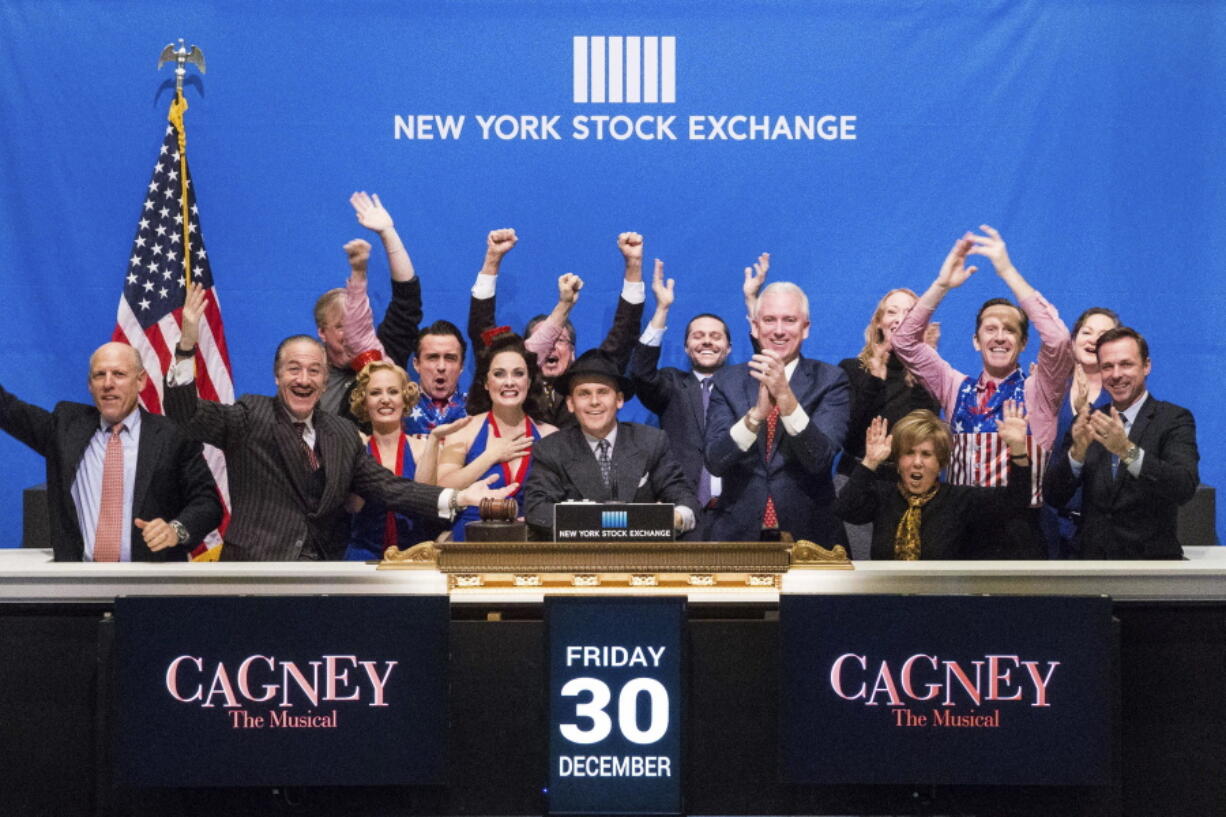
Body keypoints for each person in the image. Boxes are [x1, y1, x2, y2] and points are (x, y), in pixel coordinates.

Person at [167, 282, 515, 561]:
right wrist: (185, 347)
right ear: (276, 376)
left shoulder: (341, 432)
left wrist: (459, 497)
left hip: (324, 575)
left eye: (314, 371)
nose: (304, 378)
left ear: (324, 380)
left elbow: (390, 488)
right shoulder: (248, 416)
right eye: (294, 369)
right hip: (259, 569)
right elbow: (185, 414)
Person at [892, 225, 1073, 559]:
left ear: (1022, 344)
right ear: (976, 341)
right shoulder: (953, 385)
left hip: (1021, 530)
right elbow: (903, 341)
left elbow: (1059, 340)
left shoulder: (1040, 389)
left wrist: (1006, 270)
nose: (1000, 336)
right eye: (990, 329)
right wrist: (941, 285)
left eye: (1010, 330)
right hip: (959, 528)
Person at [0, 342, 221, 561]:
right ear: (90, 385)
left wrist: (176, 530)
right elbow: (7, 409)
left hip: (150, 583)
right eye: (99, 375)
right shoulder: (65, 427)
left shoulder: (172, 436)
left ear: (141, 381)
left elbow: (207, 503)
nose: (108, 383)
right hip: (77, 584)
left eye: (119, 374)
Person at [704, 282, 850, 544]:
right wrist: (756, 416)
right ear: (756, 327)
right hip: (738, 536)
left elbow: (820, 460)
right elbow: (715, 460)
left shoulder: (831, 380)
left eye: (790, 320)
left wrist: (786, 398)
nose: (779, 330)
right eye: (770, 320)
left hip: (810, 536)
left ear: (805, 328)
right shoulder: (727, 381)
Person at [1044, 327, 1199, 559]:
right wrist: (1077, 454)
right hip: (1093, 566)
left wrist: (1127, 451)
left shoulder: (1173, 419)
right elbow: (1054, 496)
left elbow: (1183, 487)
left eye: (1126, 364)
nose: (1116, 375)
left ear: (1146, 366)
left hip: (1151, 568)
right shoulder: (1089, 421)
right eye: (1107, 366)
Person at [472, 231, 647, 428]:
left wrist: (634, 265)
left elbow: (624, 333)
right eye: (544, 341)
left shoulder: (588, 381)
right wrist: (492, 261)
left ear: (573, 352)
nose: (551, 348)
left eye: (560, 340)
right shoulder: (513, 386)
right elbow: (481, 329)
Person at [524, 349, 697, 539]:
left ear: (619, 400)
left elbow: (684, 498)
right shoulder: (550, 449)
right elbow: (538, 510)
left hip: (641, 561)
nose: (594, 402)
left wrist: (676, 517)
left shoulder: (652, 442)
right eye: (584, 394)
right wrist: (620, 521)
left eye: (603, 392)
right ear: (570, 403)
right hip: (579, 560)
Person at [834, 405, 1033, 559]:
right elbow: (845, 508)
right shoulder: (883, 496)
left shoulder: (959, 500)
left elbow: (1016, 502)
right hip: (886, 602)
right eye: (909, 453)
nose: (917, 462)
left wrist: (1018, 449)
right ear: (898, 461)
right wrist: (870, 462)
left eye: (926, 454)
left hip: (944, 604)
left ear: (941, 462)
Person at [628, 259, 734, 539]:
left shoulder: (745, 386)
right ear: (687, 347)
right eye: (698, 336)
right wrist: (662, 309)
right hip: (684, 515)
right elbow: (640, 372)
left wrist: (752, 303)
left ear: (729, 347)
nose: (707, 341)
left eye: (716, 336)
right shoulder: (673, 384)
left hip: (737, 515)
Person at [835, 288, 942, 557]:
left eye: (909, 313)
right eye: (892, 311)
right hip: (857, 481)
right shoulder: (852, 369)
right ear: (879, 322)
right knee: (857, 578)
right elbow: (848, 438)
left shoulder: (930, 374)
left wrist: (921, 367)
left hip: (908, 488)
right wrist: (874, 380)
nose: (900, 318)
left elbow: (923, 430)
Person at [437, 333, 558, 540]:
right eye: (499, 374)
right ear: (485, 382)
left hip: (532, 544)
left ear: (529, 382)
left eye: (518, 374)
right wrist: (491, 456)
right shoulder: (464, 429)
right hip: (471, 542)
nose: (509, 382)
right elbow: (443, 487)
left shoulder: (551, 435)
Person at [343, 360, 467, 560]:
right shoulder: (357, 447)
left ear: (405, 398)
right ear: (363, 402)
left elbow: (423, 504)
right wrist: (352, 447)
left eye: (393, 392)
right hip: (362, 559)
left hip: (415, 559)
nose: (385, 399)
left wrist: (434, 438)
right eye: (375, 393)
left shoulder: (422, 448)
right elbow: (354, 506)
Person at [315, 191, 424, 415]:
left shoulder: (383, 355)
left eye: (355, 324)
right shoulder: (310, 379)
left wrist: (388, 234)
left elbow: (407, 301)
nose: (350, 333)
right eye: (340, 327)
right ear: (322, 332)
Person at [1041, 306, 1121, 557]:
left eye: (1103, 334)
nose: (1093, 339)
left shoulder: (1122, 397)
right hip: (1048, 522)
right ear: (1073, 340)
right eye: (1087, 332)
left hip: (1099, 528)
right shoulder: (1049, 389)